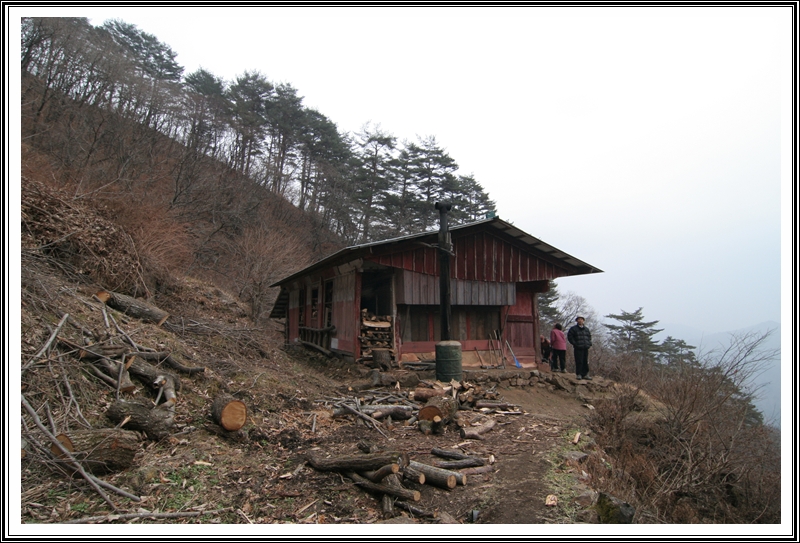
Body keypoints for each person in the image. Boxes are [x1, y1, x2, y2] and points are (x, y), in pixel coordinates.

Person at [567, 316, 592, 380]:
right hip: (578, 348)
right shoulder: (573, 329)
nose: (580, 320)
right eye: (579, 319)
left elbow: (589, 337)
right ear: (577, 321)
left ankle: (585, 374)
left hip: (585, 347)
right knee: (579, 361)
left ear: (583, 321)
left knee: (585, 361)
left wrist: (589, 344)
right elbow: (570, 337)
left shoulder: (586, 329)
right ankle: (579, 374)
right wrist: (575, 343)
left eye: (581, 319)